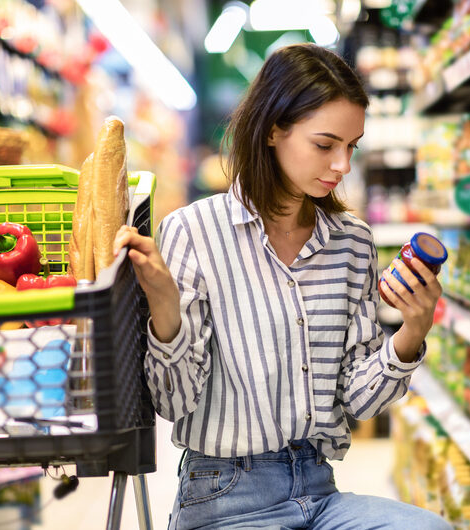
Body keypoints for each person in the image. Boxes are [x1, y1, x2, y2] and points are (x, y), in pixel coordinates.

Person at [113, 43, 450, 530]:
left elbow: (359, 401)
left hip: (318, 486)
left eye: (351, 146)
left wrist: (412, 331)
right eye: (325, 144)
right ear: (274, 129)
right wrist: (165, 310)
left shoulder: (352, 242)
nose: (342, 166)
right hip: (222, 493)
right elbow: (173, 403)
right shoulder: (194, 231)